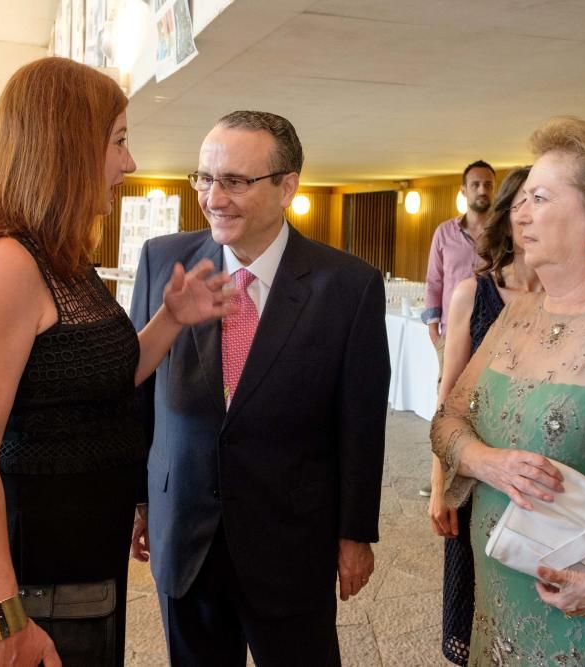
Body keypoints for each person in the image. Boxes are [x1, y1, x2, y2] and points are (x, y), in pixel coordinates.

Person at [0, 57, 233, 667]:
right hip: (36, 552)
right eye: (119, 140)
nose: (129, 162)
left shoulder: (62, 258)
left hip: (87, 537)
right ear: (66, 146)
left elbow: (104, 380)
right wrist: (3, 619)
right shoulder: (4, 266)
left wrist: (171, 319)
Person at [129, 110, 390, 666]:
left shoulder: (348, 285)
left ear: (287, 186)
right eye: (204, 177)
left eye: (235, 181)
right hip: (186, 531)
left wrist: (354, 534)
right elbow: (139, 393)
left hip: (291, 540)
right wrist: (138, 498)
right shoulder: (163, 260)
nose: (213, 197)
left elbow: (360, 422)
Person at [430, 117, 585, 666]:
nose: (519, 213)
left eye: (540, 197)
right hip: (497, 595)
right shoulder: (517, 314)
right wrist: (486, 462)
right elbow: (447, 419)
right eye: (521, 198)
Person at [426, 166, 539, 665]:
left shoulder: (566, 299)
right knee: (478, 605)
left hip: (540, 473)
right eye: (525, 208)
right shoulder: (474, 293)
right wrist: (439, 485)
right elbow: (447, 397)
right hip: (476, 474)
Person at [420, 160, 496, 497]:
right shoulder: (445, 232)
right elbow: (434, 280)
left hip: (494, 331)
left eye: (488, 184)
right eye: (476, 184)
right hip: (451, 333)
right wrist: (433, 327)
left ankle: (478, 472)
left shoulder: (502, 231)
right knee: (448, 402)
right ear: (463, 191)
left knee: (486, 402)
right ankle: (441, 477)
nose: (482, 190)